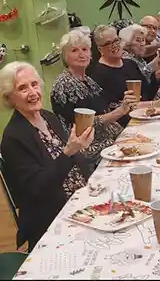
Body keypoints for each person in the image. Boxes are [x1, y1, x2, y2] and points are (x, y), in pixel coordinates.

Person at [0, 62, 93, 250]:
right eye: (23, 88)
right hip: (52, 216)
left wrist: (81, 149)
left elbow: (74, 161)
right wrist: (69, 152)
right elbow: (38, 188)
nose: (33, 92)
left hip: (80, 200)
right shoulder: (13, 138)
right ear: (10, 98)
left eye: (34, 84)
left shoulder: (47, 117)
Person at [51, 31, 136, 171]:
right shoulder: (65, 84)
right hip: (90, 149)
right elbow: (85, 126)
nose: (81, 54)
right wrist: (120, 111)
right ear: (65, 57)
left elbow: (106, 106)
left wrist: (126, 104)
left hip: (111, 139)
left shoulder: (87, 80)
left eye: (84, 49)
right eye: (74, 50)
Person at [89, 25, 160, 110]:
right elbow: (113, 108)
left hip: (145, 115)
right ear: (100, 49)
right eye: (108, 43)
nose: (114, 45)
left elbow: (147, 95)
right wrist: (155, 104)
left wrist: (158, 74)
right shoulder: (98, 74)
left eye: (116, 40)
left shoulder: (129, 63)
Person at [119, 24, 160, 97]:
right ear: (127, 43)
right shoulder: (126, 60)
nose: (142, 44)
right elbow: (144, 78)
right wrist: (157, 62)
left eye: (143, 40)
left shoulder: (137, 56)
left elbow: (147, 72)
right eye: (138, 40)